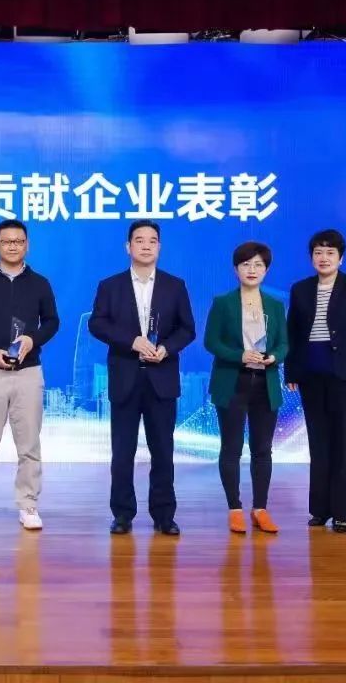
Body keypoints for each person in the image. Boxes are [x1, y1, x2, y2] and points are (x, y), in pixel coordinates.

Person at [88, 220, 195, 536]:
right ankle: (122, 514)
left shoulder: (175, 286)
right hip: (125, 377)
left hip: (162, 378)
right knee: (122, 452)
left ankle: (164, 515)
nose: (146, 245)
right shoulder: (110, 286)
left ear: (159, 247)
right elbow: (97, 324)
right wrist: (131, 341)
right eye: (139, 240)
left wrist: (166, 348)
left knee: (163, 451)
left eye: (152, 240)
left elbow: (187, 329)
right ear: (128, 247)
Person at [0, 220, 60, 531]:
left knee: (29, 445)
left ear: (27, 244)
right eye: (7, 241)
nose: (13, 246)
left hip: (29, 373)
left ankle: (28, 504)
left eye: (18, 241)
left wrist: (33, 340)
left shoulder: (40, 283)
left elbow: (52, 322)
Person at [284, 229, 346, 534]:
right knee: (318, 442)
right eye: (318, 252)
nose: (323, 258)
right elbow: (293, 334)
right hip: (311, 376)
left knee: (345, 443)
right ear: (311, 257)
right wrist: (291, 372)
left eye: (330, 253)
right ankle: (320, 510)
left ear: (341, 258)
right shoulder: (300, 289)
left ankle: (343, 512)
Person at [204, 241, 288, 535]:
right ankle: (235, 509)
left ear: (266, 270)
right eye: (246, 265)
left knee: (262, 449)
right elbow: (211, 342)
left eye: (258, 265)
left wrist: (274, 356)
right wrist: (239, 355)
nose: (252, 270)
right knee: (231, 447)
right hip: (232, 382)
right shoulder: (223, 303)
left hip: (265, 383)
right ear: (236, 269)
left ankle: (260, 509)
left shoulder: (275, 305)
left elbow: (284, 343)